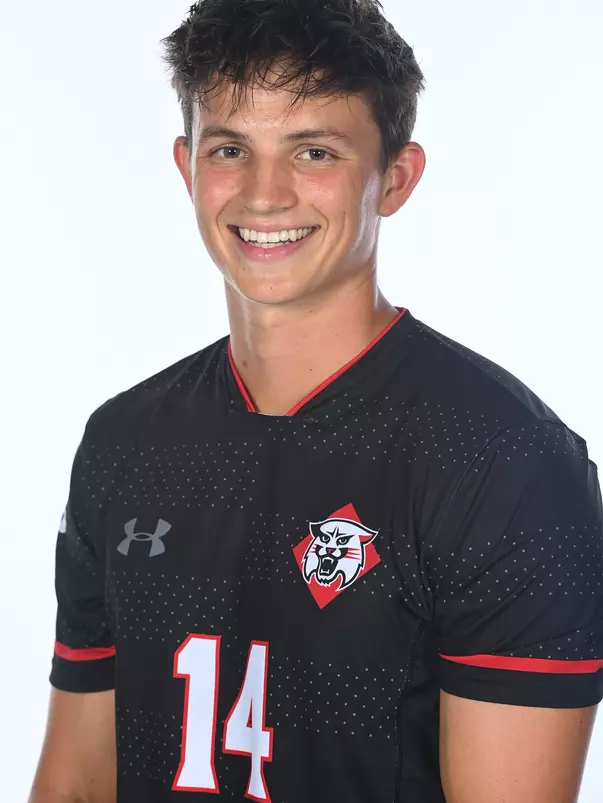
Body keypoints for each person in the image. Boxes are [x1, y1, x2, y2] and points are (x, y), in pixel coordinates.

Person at [29, 1, 603, 801]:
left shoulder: (502, 460)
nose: (265, 194)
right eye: (231, 148)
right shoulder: (123, 440)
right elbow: (77, 783)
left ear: (394, 177)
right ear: (187, 165)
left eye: (314, 151)